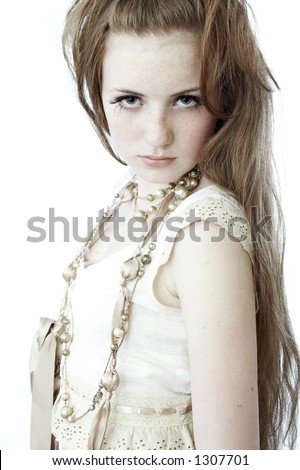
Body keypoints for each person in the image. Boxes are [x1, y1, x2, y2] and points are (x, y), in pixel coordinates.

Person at [30, 0, 300, 450]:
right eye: (130, 100)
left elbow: (231, 456)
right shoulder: (141, 186)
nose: (158, 135)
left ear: (223, 99)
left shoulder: (205, 235)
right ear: (99, 94)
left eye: (186, 99)